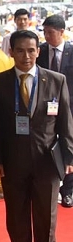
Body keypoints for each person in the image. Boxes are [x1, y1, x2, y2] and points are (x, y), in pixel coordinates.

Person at [0, 29, 73, 242]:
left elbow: (65, 121)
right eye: (21, 51)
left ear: (38, 51)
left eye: (31, 50)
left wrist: (69, 157)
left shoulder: (56, 80)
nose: (26, 56)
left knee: (47, 220)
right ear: (11, 52)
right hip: (13, 165)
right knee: (17, 221)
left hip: (47, 163)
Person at [36, 14, 73, 208]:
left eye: (50, 32)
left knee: (68, 147)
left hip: (69, 108)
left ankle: (67, 191)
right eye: (45, 32)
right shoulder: (39, 52)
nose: (47, 36)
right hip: (45, 109)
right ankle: (47, 185)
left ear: (61, 32)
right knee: (47, 145)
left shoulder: (71, 51)